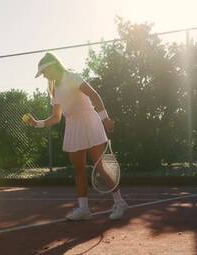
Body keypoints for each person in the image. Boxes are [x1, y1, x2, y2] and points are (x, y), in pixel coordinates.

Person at [28, 52, 128, 220]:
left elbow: (94, 95)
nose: (44, 76)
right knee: (78, 169)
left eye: (45, 72)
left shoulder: (73, 77)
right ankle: (84, 209)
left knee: (100, 166)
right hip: (72, 125)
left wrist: (105, 119)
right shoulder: (54, 88)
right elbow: (56, 117)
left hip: (89, 121)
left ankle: (120, 202)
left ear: (53, 66)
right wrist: (36, 123)